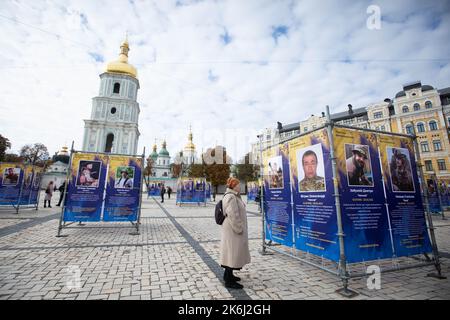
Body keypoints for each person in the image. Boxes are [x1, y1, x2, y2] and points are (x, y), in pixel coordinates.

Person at [220, 177, 251, 289]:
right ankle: (229, 281)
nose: (240, 186)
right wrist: (239, 228)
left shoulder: (235, 196)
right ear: (233, 186)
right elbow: (233, 215)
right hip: (233, 230)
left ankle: (229, 275)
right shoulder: (231, 197)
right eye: (238, 185)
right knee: (232, 254)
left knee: (232, 253)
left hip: (232, 230)